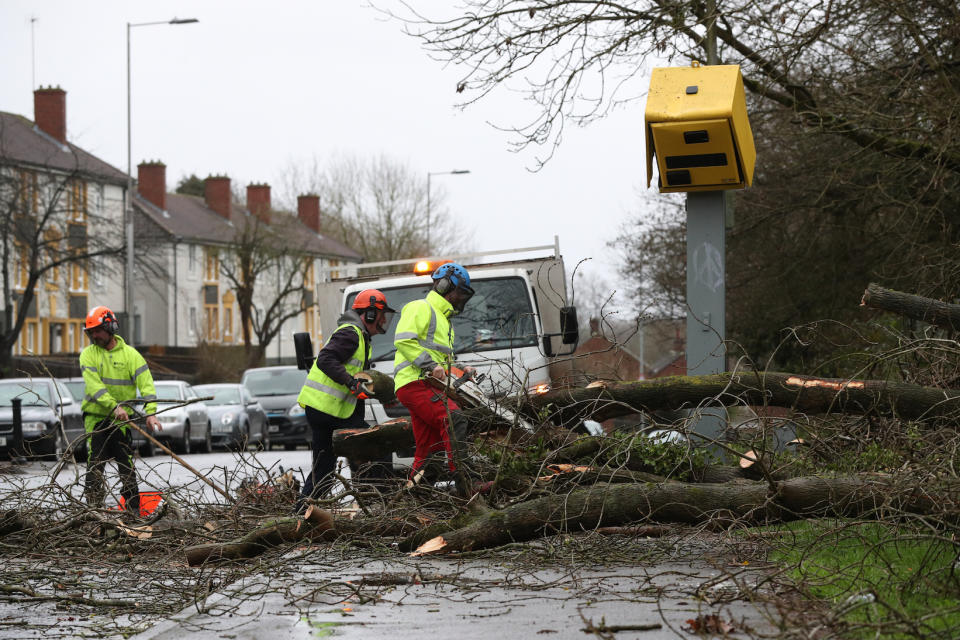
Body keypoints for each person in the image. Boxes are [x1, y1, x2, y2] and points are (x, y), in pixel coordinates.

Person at [296, 289, 396, 503]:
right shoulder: (350, 333)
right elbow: (325, 359)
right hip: (327, 411)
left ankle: (303, 514)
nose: (384, 320)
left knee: (323, 472)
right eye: (381, 314)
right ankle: (378, 503)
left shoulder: (360, 337)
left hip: (328, 411)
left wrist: (380, 394)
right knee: (376, 450)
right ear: (369, 314)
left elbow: (358, 385)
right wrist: (351, 383)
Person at [393, 262, 476, 483]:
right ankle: (466, 483)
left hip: (426, 383)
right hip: (415, 382)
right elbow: (403, 340)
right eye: (459, 292)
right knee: (453, 417)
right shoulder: (420, 307)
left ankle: (417, 493)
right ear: (444, 285)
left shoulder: (444, 321)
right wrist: (430, 366)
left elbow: (443, 366)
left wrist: (462, 370)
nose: (460, 298)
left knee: (427, 446)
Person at [79, 305, 161, 515]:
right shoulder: (88, 355)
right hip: (96, 418)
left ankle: (133, 511)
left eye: (98, 330)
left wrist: (150, 412)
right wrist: (113, 406)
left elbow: (147, 384)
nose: (94, 335)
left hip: (122, 422)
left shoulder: (131, 355)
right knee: (95, 463)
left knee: (126, 464)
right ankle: (94, 511)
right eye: (91, 332)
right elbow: (94, 386)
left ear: (110, 327)